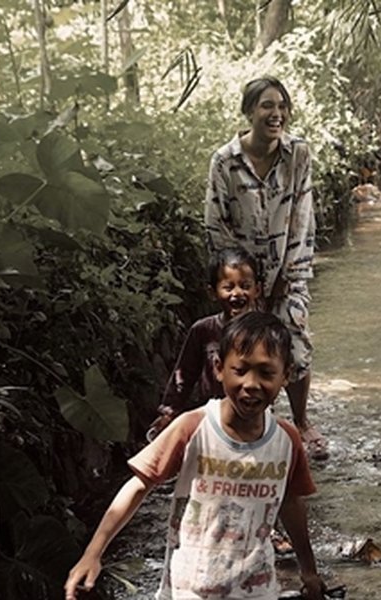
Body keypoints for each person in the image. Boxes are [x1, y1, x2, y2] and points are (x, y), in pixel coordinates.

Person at [64, 311, 325, 600]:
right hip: (189, 589)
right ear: (218, 368)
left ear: (286, 375)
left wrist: (309, 570)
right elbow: (139, 484)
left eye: (266, 373)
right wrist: (93, 552)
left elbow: (290, 502)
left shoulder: (286, 441)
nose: (251, 383)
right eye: (240, 370)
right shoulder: (194, 427)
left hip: (256, 589)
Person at [205, 76, 326, 459]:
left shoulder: (298, 154)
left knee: (295, 343)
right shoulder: (225, 161)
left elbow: (302, 216)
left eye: (281, 106)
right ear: (249, 112)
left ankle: (302, 422)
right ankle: (259, 429)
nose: (276, 115)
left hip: (290, 272)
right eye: (267, 106)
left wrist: (288, 274)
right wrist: (243, 281)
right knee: (248, 351)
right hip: (242, 280)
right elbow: (214, 222)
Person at [149, 247, 262, 437]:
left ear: (257, 290)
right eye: (228, 287)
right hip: (212, 418)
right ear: (212, 292)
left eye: (245, 285)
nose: (237, 293)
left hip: (254, 417)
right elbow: (184, 375)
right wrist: (169, 412)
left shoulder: (265, 332)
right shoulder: (203, 330)